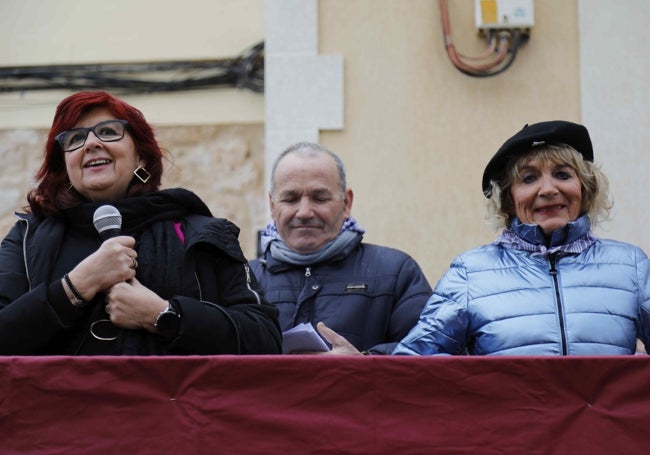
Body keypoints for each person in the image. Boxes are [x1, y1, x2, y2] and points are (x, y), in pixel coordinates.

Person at [0, 91, 282, 355]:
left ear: (142, 157)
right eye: (75, 139)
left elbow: (265, 338)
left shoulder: (199, 232)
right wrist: (76, 285)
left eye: (109, 132)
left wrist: (164, 315)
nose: (91, 143)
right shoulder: (28, 237)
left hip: (168, 407)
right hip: (56, 407)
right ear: (65, 166)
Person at [394, 120, 650, 356]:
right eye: (529, 178)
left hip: (603, 409)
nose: (549, 189)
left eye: (563, 174)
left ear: (584, 189)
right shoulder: (471, 273)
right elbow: (412, 365)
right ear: (508, 199)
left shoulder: (631, 266)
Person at [249, 142, 432, 355]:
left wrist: (365, 363)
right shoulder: (243, 279)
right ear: (272, 205)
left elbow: (429, 351)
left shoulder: (397, 272)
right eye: (290, 199)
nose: (304, 212)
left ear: (346, 203)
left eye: (320, 198)